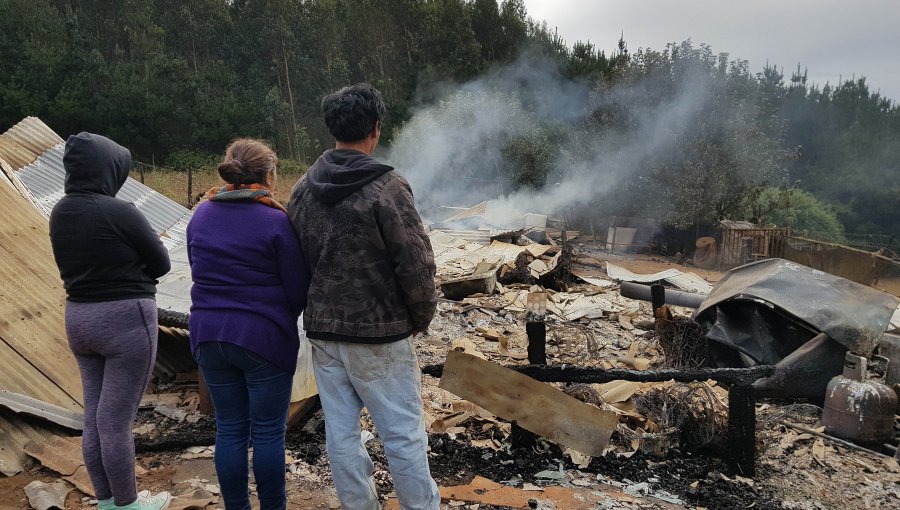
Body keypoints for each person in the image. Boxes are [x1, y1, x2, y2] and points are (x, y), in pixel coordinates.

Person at [288, 84, 440, 510]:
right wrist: (420, 317)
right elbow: (416, 262)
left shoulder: (302, 189)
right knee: (403, 433)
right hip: (381, 332)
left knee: (341, 432)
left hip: (323, 330)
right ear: (375, 129)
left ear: (332, 128)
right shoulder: (387, 187)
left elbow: (296, 259)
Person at [49, 132, 172, 510]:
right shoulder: (120, 211)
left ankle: (106, 502)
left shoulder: (60, 210)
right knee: (116, 422)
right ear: (108, 170)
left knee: (96, 418)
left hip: (79, 319)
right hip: (125, 320)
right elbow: (163, 264)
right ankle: (129, 505)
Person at [187, 139, 310, 510]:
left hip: (208, 335)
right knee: (269, 432)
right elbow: (298, 290)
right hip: (262, 339)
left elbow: (198, 270)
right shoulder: (275, 221)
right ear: (270, 175)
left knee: (229, 428)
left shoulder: (201, 215)